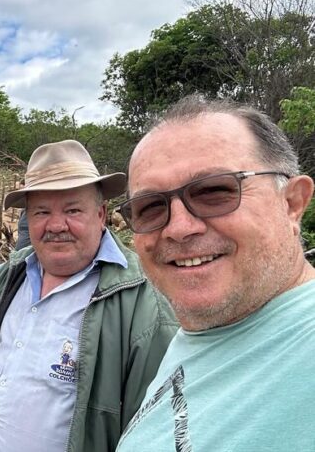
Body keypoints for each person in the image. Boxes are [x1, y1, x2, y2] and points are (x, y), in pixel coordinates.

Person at [0, 140, 179, 452]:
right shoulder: (12, 272)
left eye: (72, 210)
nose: (56, 225)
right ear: (28, 219)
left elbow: (158, 431)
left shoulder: (144, 305)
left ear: (100, 215)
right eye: (42, 211)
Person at [115, 97, 315, 451]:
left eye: (213, 191)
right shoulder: (201, 335)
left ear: (292, 203)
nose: (178, 228)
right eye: (149, 207)